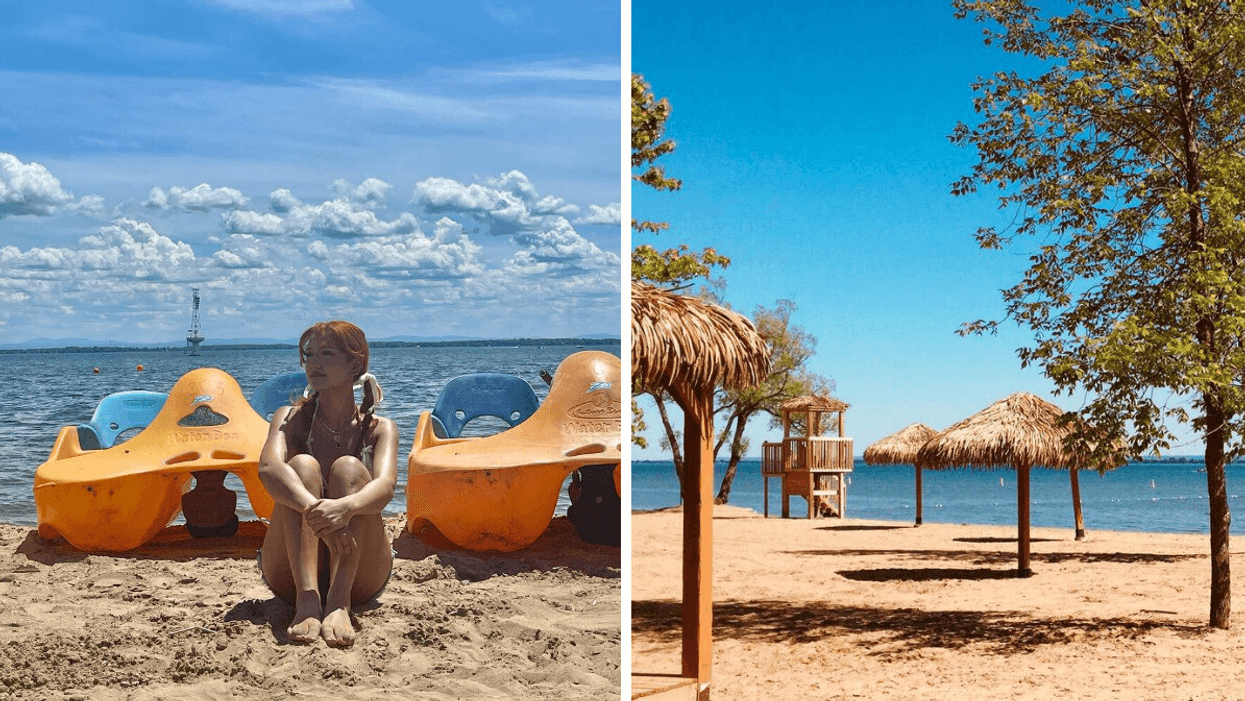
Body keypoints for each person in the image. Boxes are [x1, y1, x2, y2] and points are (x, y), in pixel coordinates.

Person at [257, 320, 399, 647]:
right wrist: (318, 514)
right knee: (302, 467)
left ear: (355, 364)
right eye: (308, 355)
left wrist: (344, 508)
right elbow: (267, 468)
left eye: (326, 353)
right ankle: (308, 601)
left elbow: (386, 489)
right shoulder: (288, 418)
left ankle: (339, 601)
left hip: (361, 571)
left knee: (349, 470)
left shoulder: (381, 428)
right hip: (289, 576)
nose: (314, 363)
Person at [182, 470, 239, 538]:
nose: (209, 474)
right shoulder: (230, 495)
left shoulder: (187, 498)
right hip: (224, 529)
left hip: (197, 532)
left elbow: (188, 517)